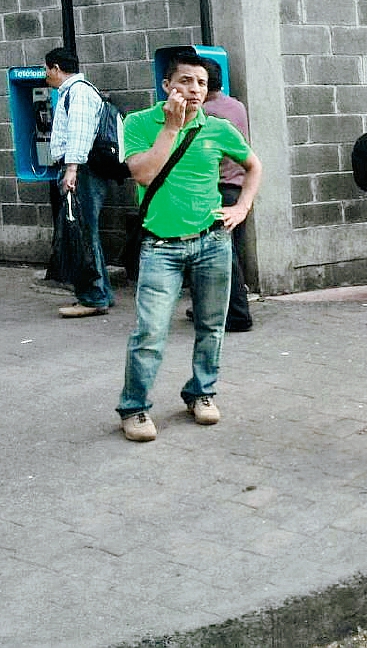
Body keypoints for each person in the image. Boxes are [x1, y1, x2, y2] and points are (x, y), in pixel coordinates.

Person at [116, 51, 263, 442]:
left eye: (200, 82)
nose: (193, 89)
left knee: (212, 326)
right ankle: (134, 408)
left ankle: (201, 392)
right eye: (184, 81)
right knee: (149, 331)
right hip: (160, 248)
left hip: (212, 242)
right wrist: (171, 127)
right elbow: (144, 174)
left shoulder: (217, 128)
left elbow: (253, 166)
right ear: (167, 85)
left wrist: (242, 206)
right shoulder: (138, 123)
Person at [45, 47, 114, 318]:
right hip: (80, 169)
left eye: (47, 69)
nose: (45, 75)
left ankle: (93, 297)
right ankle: (100, 293)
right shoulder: (73, 92)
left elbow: (80, 134)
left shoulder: (79, 92)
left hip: (82, 170)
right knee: (87, 232)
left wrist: (71, 169)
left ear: (56, 68)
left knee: (83, 233)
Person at [198, 59, 253, 332]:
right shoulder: (237, 105)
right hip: (239, 186)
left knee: (222, 255)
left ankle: (238, 314)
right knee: (233, 251)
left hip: (218, 188)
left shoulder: (204, 113)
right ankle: (215, 307)